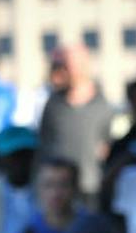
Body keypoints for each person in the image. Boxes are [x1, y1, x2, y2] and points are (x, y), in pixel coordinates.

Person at [35, 43, 115, 194]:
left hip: (89, 189)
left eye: (67, 65)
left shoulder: (102, 106)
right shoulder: (52, 105)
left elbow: (106, 146)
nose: (62, 70)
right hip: (58, 192)